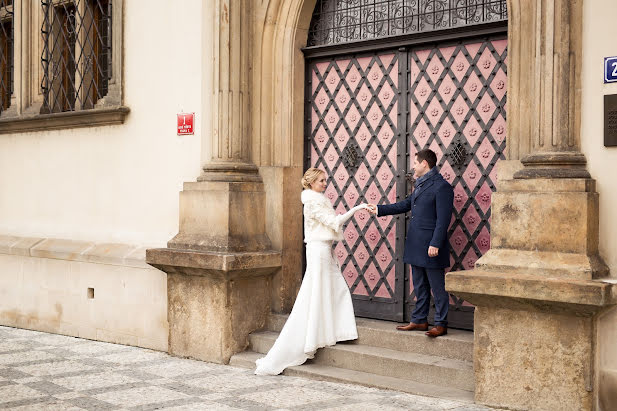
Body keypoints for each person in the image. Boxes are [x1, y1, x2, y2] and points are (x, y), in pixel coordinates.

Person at [255, 168, 368, 375]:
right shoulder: (313, 201)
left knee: (334, 289)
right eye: (321, 180)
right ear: (311, 182)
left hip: (324, 250)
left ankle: (335, 331)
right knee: (318, 292)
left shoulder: (318, 199)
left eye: (326, 180)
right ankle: (317, 335)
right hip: (318, 251)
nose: (326, 183)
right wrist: (358, 208)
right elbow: (333, 222)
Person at [367, 149, 454, 338]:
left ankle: (441, 323)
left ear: (425, 163)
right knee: (419, 284)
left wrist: (436, 243)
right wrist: (380, 209)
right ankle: (419, 320)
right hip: (416, 243)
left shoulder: (442, 187)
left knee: (437, 287)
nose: (413, 166)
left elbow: (443, 219)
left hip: (431, 245)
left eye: (415, 162)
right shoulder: (421, 185)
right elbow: (406, 204)